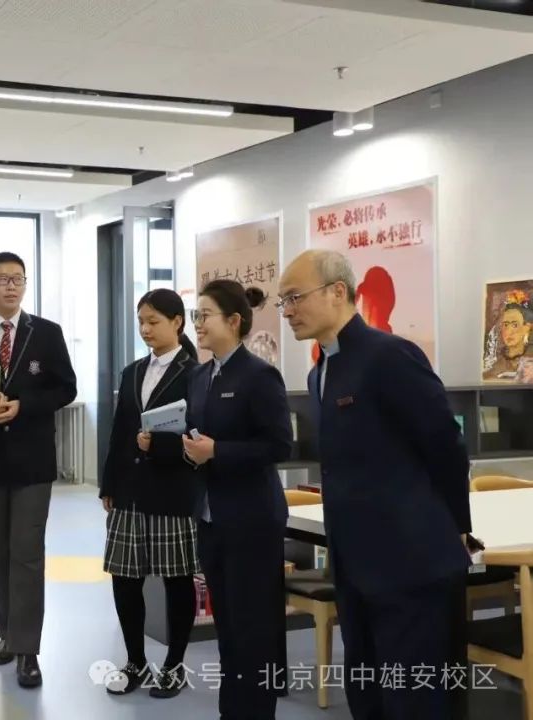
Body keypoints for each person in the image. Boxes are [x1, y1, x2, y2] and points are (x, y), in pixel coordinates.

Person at [278, 249, 471, 720]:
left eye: (295, 297)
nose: (287, 311)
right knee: (367, 693)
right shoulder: (319, 373)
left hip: (411, 562)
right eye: (283, 302)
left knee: (415, 697)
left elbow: (446, 446)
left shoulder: (390, 356)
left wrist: (456, 528)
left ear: (337, 292)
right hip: (354, 566)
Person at [0, 252, 77, 689]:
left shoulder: (47, 333)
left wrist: (25, 406)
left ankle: (27, 650)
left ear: (25, 285)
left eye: (18, 279)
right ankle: (6, 633)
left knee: (26, 553)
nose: (10, 286)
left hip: (33, 462)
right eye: (2, 279)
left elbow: (66, 388)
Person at [183, 280, 293, 720]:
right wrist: (188, 449)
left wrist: (218, 452)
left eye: (205, 315)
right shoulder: (199, 376)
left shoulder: (259, 375)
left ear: (233, 321)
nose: (197, 324)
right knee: (227, 627)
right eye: (196, 316)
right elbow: (198, 435)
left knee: (255, 630)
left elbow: (279, 445)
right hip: (211, 518)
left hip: (252, 520)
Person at [98, 289, 200, 699]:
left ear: (177, 322)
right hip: (130, 490)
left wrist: (159, 447)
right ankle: (135, 660)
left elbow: (198, 435)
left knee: (177, 580)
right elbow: (120, 432)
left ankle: (174, 665)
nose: (145, 329)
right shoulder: (132, 372)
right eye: (141, 321)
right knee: (124, 577)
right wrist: (109, 483)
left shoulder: (195, 374)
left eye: (154, 321)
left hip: (172, 490)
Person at [483, 289, 533, 382]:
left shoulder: (529, 363)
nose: (508, 332)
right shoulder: (495, 365)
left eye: (515, 325)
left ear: (527, 327)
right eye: (505, 325)